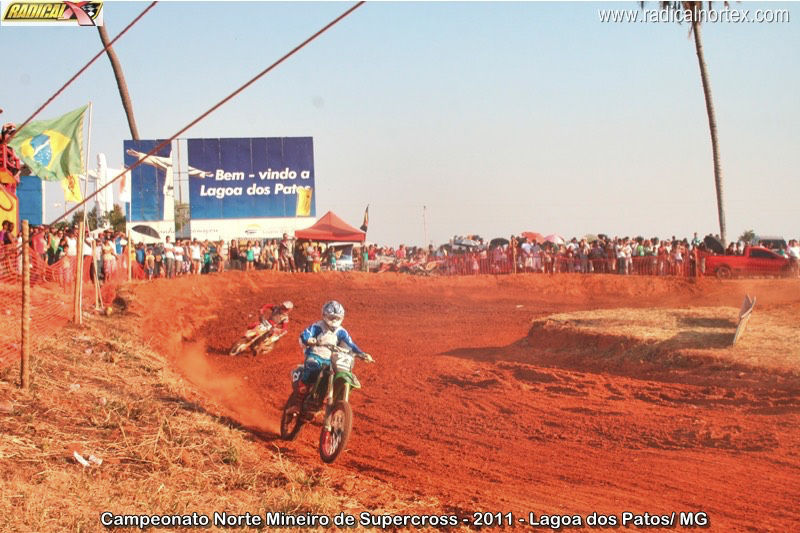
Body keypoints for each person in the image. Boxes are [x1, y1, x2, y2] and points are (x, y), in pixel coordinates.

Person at [294, 301, 373, 400]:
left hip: (331, 359)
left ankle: (332, 398)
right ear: (325, 315)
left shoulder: (341, 331)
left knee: (339, 372)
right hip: (316, 355)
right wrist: (308, 339)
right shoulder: (318, 326)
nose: (334, 320)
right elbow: (306, 334)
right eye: (332, 317)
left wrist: (362, 354)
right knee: (313, 365)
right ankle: (301, 390)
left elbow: (350, 344)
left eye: (337, 318)